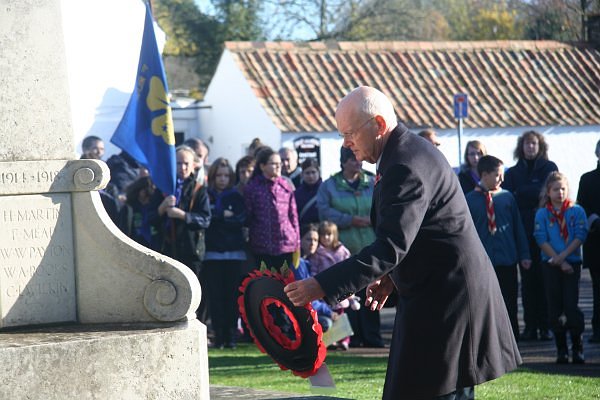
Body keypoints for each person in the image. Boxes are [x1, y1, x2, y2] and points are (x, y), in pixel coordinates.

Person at [284, 86, 521, 400]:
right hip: (438, 291)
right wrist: (391, 276)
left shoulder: (403, 164)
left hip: (447, 298)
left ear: (379, 126)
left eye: (350, 133)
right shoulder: (403, 152)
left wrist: (321, 285)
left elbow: (390, 246)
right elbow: (416, 234)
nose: (346, 143)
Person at [316, 146, 382, 348]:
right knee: (347, 297)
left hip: (369, 247)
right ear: (343, 162)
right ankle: (351, 337)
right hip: (344, 251)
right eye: (353, 160)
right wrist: (351, 220)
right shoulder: (329, 186)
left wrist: (371, 218)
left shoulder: (372, 182)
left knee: (371, 295)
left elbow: (382, 205)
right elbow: (324, 211)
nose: (358, 163)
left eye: (358, 160)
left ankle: (372, 338)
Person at [465, 155, 531, 340]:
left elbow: (518, 227)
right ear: (484, 175)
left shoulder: (507, 197)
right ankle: (487, 338)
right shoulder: (469, 200)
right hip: (482, 262)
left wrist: (524, 254)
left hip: (506, 259)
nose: (501, 179)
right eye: (497, 175)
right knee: (484, 302)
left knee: (509, 300)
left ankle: (511, 337)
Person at [502, 130, 558, 341]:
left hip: (546, 232)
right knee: (527, 282)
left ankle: (546, 325)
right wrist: (532, 192)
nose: (530, 147)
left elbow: (545, 193)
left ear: (540, 146)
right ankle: (530, 325)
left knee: (545, 281)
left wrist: (524, 192)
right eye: (527, 144)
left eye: (534, 144)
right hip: (523, 232)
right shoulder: (514, 172)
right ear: (521, 147)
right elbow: (510, 197)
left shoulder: (549, 168)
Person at [534, 172, 587, 363]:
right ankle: (561, 349)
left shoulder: (576, 211)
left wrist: (564, 258)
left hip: (571, 264)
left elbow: (580, 235)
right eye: (556, 189)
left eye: (563, 188)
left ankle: (577, 347)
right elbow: (541, 239)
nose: (560, 193)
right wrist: (557, 260)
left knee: (571, 306)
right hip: (550, 264)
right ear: (548, 192)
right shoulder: (543, 213)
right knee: (554, 306)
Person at [158, 145, 211, 323]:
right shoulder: (163, 188)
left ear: (194, 165)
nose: (182, 168)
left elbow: (205, 219)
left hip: (191, 250)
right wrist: (162, 207)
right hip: (168, 249)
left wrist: (183, 216)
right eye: (178, 163)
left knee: (194, 291)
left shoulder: (199, 189)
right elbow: (149, 219)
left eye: (186, 163)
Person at [204, 158, 247, 349]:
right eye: (219, 175)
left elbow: (241, 219)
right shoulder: (206, 195)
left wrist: (220, 219)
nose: (222, 179)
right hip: (212, 253)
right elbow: (206, 220)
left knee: (232, 298)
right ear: (213, 176)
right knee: (216, 298)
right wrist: (222, 216)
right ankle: (219, 336)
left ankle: (231, 337)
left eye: (226, 176)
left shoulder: (236, 196)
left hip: (234, 253)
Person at [243, 147, 300, 269]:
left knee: (285, 284)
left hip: (286, 245)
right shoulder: (253, 188)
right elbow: (248, 216)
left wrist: (297, 243)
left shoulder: (286, 186)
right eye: (274, 164)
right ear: (262, 166)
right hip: (262, 246)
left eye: (279, 163)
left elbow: (293, 216)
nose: (279, 166)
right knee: (266, 284)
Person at [577, 139, 600, 343]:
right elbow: (581, 205)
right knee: (597, 288)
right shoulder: (587, 179)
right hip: (596, 240)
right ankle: (597, 329)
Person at [117, 176, 162, 251]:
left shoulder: (155, 207)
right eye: (149, 188)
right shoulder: (129, 209)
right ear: (141, 191)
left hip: (154, 248)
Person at [294, 158, 322, 226]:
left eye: (313, 172)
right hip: (304, 231)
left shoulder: (326, 191)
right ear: (302, 174)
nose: (311, 176)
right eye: (307, 173)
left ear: (318, 173)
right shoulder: (296, 194)